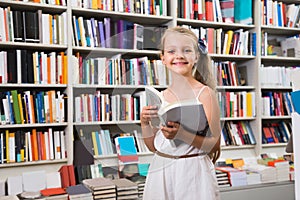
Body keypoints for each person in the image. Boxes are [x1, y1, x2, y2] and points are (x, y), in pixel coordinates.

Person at [140, 26, 221, 200]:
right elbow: (155, 147)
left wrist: (182, 134)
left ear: (196, 57)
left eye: (186, 50)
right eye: (171, 51)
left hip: (192, 172)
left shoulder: (205, 94)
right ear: (163, 58)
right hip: (161, 170)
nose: (179, 56)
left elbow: (214, 145)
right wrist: (145, 123)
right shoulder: (161, 97)